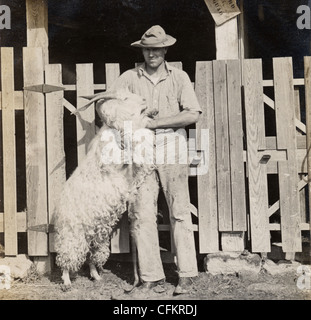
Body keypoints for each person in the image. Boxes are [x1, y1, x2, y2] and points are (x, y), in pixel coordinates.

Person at [112, 25, 202, 296]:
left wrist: (155, 123)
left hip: (172, 148)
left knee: (179, 210)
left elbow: (192, 114)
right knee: (142, 214)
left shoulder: (179, 77)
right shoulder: (128, 78)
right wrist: (125, 123)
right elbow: (107, 106)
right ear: (142, 51)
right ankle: (151, 277)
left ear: (165, 50)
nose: (151, 54)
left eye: (156, 49)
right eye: (146, 49)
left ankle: (187, 274)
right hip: (140, 151)